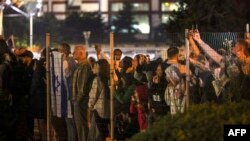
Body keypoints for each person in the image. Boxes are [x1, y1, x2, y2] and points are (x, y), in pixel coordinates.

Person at [72, 45, 94, 141]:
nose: (72, 54)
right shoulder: (81, 66)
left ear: (81, 53)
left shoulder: (84, 66)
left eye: (74, 52)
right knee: (80, 127)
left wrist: (77, 101)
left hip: (81, 102)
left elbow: (82, 88)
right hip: (80, 101)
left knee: (82, 127)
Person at [88, 59, 110, 141]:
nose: (92, 68)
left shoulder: (97, 79)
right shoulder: (108, 79)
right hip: (107, 110)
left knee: (97, 133)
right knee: (104, 132)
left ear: (100, 68)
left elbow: (93, 95)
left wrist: (90, 106)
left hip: (98, 109)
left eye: (95, 67)